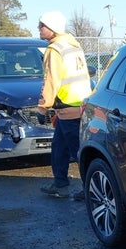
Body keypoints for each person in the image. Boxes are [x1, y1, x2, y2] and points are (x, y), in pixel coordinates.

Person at [36, 11, 91, 198]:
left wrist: (43, 107)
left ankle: (90, 189)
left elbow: (51, 81)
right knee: (59, 148)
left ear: (52, 28)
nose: (39, 28)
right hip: (79, 105)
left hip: (68, 107)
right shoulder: (73, 45)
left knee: (77, 151)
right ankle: (60, 184)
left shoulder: (54, 50)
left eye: (42, 25)